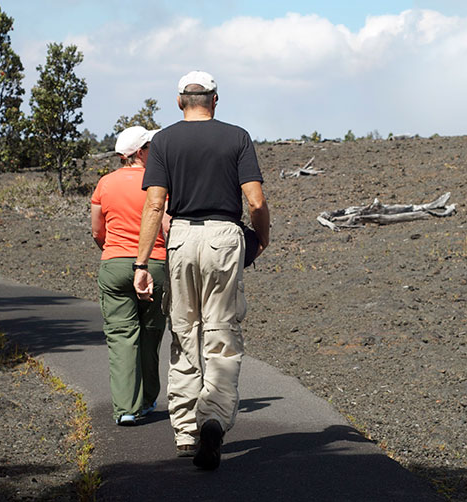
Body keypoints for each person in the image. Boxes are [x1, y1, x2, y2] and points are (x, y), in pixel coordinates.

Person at [133, 70, 270, 470]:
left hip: (181, 238)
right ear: (215, 100)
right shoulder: (237, 137)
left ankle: (186, 431)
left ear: (180, 101)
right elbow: (256, 200)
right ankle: (212, 418)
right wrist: (259, 240)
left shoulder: (163, 141)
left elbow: (155, 206)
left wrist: (142, 263)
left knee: (184, 330)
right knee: (222, 334)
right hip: (224, 237)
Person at [91, 126, 169, 426]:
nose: (153, 151)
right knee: (151, 333)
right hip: (155, 264)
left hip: (114, 264)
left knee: (123, 336)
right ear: (139, 153)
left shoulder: (105, 184)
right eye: (149, 146)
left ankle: (126, 408)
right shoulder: (159, 184)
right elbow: (166, 226)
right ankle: (148, 399)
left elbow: (98, 230)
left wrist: (113, 250)